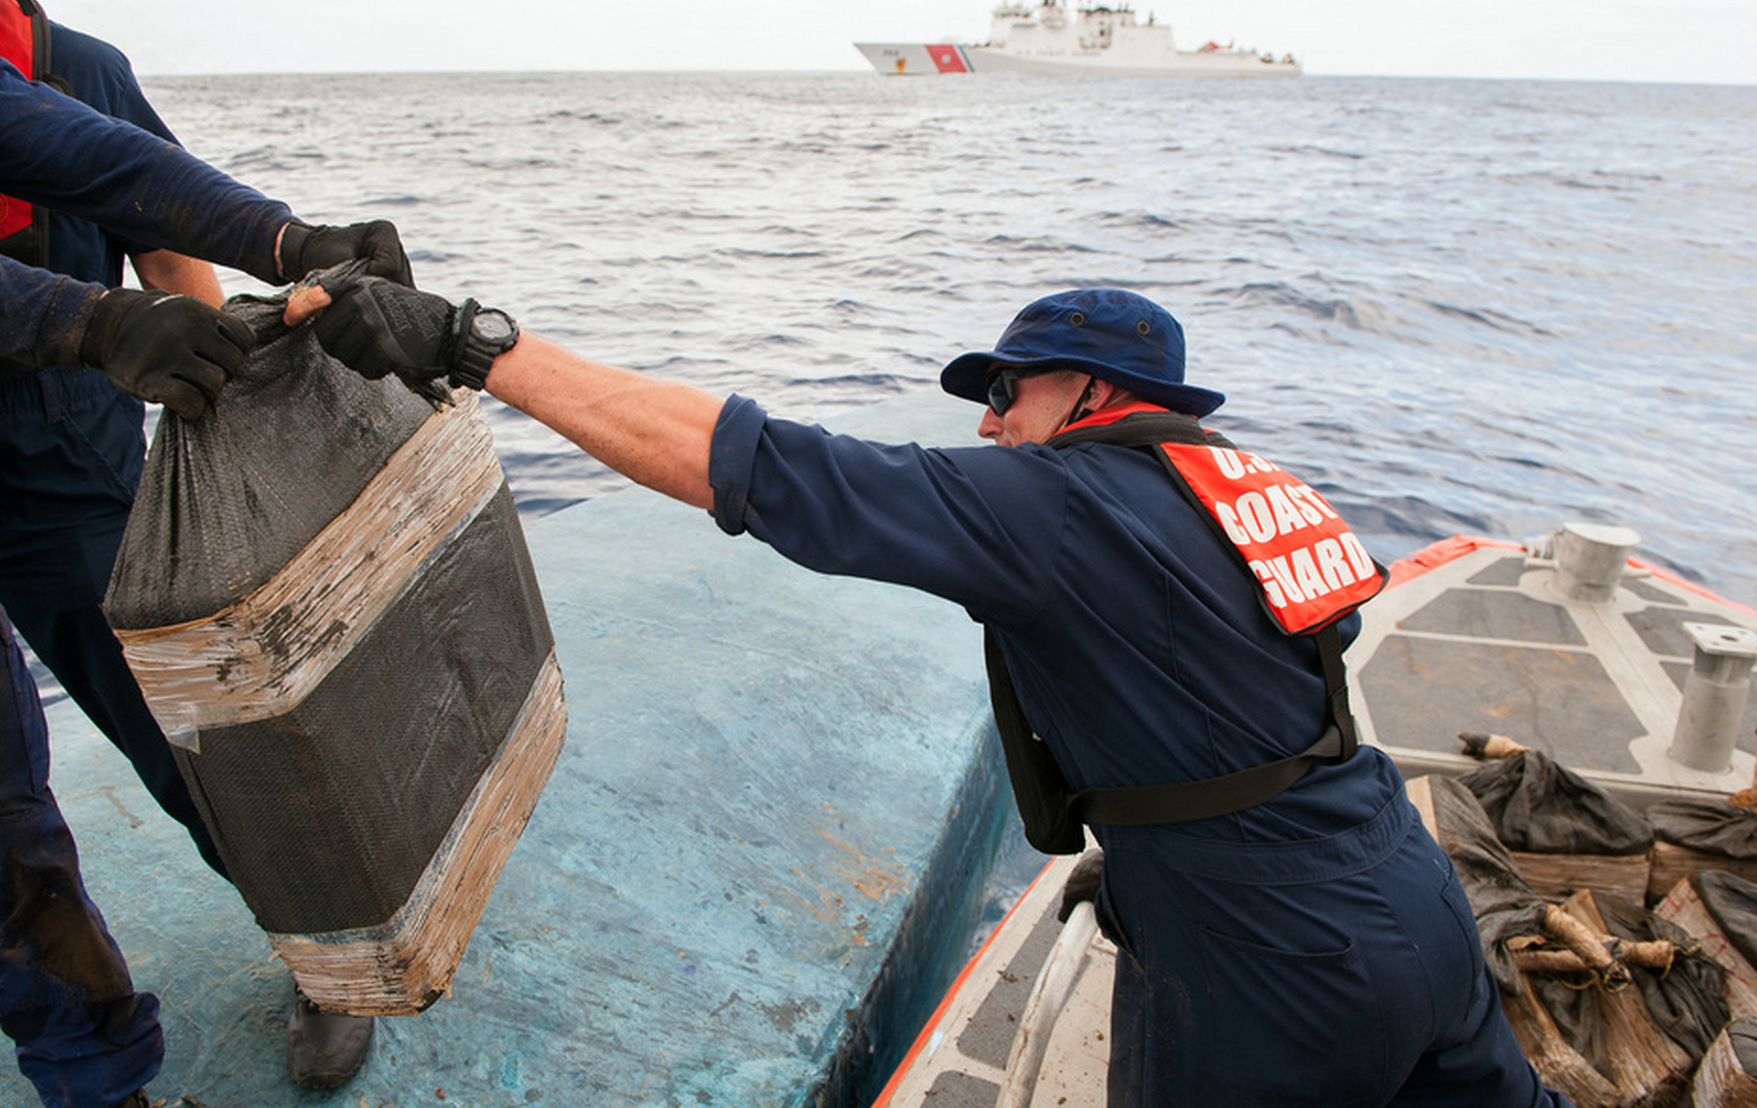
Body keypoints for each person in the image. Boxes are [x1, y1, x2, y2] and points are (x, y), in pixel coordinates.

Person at [293, 276, 1574, 1107]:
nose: (986, 423)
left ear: (1089, 397)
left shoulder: (1059, 498)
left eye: (1006, 393)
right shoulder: (1248, 485)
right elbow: (1264, 688)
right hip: (1405, 889)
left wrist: (480, 347)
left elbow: (737, 461)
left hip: (1266, 953)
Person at [0, 0, 377, 1086]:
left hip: (44, 436)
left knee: (160, 706)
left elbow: (107, 168)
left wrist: (287, 237)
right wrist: (94, 322)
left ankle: (324, 948)